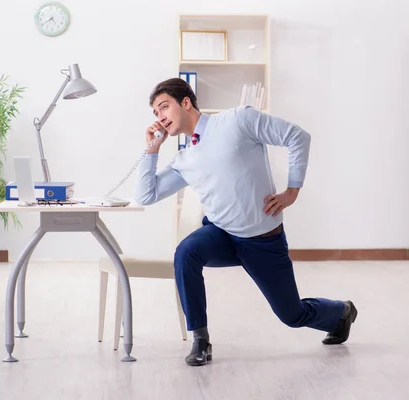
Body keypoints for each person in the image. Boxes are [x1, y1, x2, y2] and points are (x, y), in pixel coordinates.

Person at [135, 78, 357, 366]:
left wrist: (292, 191)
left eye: (163, 107)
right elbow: (146, 194)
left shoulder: (238, 120)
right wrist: (152, 150)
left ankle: (341, 313)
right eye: (155, 113)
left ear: (186, 102)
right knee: (186, 252)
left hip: (262, 241)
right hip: (221, 236)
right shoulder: (184, 158)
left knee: (292, 315)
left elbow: (298, 137)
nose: (160, 117)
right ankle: (200, 340)